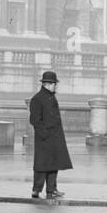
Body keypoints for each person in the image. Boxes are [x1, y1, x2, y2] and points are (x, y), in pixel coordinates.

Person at [28, 71, 72, 199]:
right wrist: (45, 134)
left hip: (54, 136)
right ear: (47, 84)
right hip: (45, 138)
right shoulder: (37, 98)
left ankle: (51, 190)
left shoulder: (51, 97)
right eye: (54, 84)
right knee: (42, 165)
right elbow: (35, 120)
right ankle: (36, 190)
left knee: (54, 164)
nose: (55, 86)